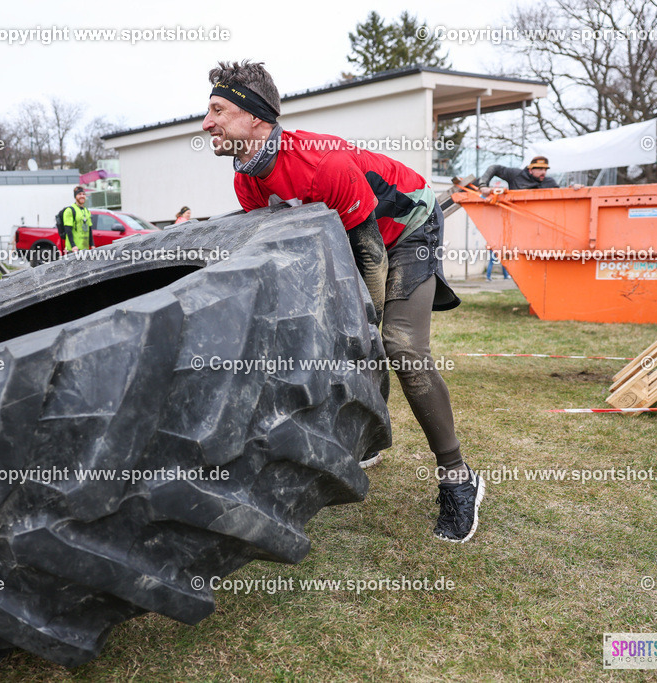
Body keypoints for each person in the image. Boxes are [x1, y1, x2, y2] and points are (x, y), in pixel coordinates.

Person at [201, 60, 484, 543]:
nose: (206, 123)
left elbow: (371, 257)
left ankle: (459, 477)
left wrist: (359, 324)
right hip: (356, 239)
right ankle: (371, 437)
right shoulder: (246, 178)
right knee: (345, 337)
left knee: (398, 345)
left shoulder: (320, 162)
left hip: (407, 229)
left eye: (217, 110)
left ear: (256, 117)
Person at [478, 156, 558, 193]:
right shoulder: (517, 175)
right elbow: (494, 168)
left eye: (545, 170)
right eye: (540, 169)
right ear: (530, 170)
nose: (543, 172)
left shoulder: (550, 182)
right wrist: (483, 186)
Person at [63, 186, 93, 251]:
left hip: (85, 249)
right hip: (74, 250)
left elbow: (89, 229)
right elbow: (68, 230)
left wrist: (92, 245)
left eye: (83, 194)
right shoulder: (70, 210)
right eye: (79, 194)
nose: (82, 196)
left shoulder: (87, 211)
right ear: (75, 196)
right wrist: (73, 245)